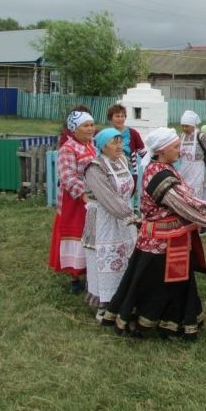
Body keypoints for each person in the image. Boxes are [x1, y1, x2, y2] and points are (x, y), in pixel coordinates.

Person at [102, 127, 206, 340]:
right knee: (160, 284)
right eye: (176, 147)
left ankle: (170, 322)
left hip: (166, 238)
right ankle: (152, 323)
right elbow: (184, 202)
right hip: (161, 243)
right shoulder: (160, 175)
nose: (180, 151)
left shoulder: (160, 167)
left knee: (165, 281)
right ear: (161, 150)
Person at [82, 128, 140, 320]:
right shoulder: (95, 168)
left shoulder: (122, 161)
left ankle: (124, 298)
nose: (119, 146)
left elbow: (129, 188)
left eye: (119, 141)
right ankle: (104, 304)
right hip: (103, 220)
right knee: (106, 258)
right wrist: (130, 216)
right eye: (113, 142)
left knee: (125, 257)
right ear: (102, 146)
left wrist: (129, 215)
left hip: (124, 218)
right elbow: (107, 198)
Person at [49, 111, 97, 293]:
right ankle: (75, 276)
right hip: (74, 200)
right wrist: (84, 195)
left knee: (91, 232)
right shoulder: (68, 149)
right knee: (76, 234)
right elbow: (67, 177)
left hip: (92, 196)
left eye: (92, 125)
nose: (90, 129)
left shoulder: (91, 145)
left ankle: (89, 270)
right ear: (74, 129)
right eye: (85, 125)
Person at [179, 110, 206, 200]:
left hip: (198, 169)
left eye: (186, 126)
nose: (184, 128)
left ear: (193, 125)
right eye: (182, 126)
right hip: (184, 169)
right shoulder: (181, 137)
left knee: (197, 194)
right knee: (185, 193)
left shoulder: (202, 137)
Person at [106, 103, 145, 173]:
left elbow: (143, 153)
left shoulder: (133, 133)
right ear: (110, 118)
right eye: (117, 116)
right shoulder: (106, 135)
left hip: (130, 173)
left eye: (122, 116)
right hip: (110, 172)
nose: (120, 119)